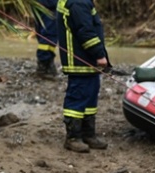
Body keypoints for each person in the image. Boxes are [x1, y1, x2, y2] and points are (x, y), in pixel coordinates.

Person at [57, 0, 109, 152]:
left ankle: (88, 134)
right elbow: (85, 31)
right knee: (78, 97)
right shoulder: (78, 3)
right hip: (80, 60)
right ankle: (73, 137)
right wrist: (99, 54)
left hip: (87, 61)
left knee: (90, 97)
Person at [32, 0, 58, 80]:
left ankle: (47, 63)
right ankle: (44, 66)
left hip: (38, 4)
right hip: (49, 6)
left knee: (42, 34)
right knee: (48, 36)